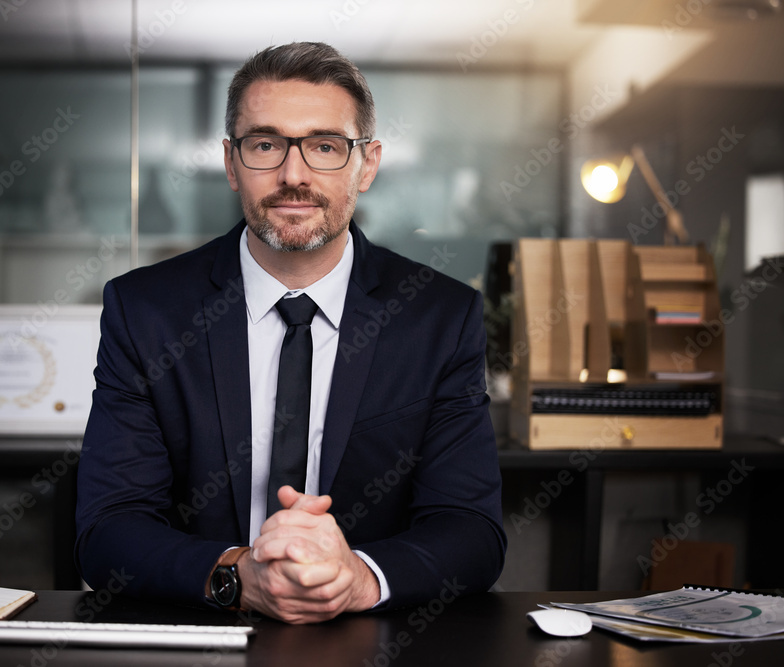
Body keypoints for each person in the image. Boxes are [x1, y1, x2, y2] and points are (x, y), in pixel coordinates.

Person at [75, 41, 506, 624]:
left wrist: (359, 579)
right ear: (232, 163)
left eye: (326, 146)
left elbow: (471, 530)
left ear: (368, 164)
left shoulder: (440, 318)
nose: (293, 175)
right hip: (200, 633)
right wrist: (235, 575)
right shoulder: (145, 310)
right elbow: (108, 528)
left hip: (376, 641)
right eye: (265, 145)